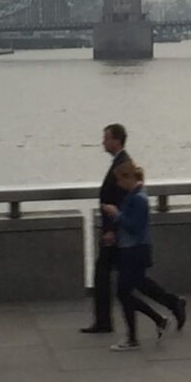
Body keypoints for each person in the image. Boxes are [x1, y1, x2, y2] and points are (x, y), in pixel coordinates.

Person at [102, 162, 186, 350]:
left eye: (119, 180)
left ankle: (138, 334)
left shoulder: (138, 199)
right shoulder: (135, 196)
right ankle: (163, 314)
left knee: (124, 292)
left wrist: (116, 215)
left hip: (134, 250)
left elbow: (135, 226)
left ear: (128, 178)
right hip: (134, 249)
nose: (117, 184)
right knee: (135, 287)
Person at [82, 123, 132, 334]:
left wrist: (111, 229)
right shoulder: (120, 161)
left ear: (116, 141)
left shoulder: (123, 164)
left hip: (115, 230)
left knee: (103, 273)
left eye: (106, 138)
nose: (103, 142)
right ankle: (172, 303)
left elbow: (122, 198)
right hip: (116, 229)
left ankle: (104, 321)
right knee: (133, 278)